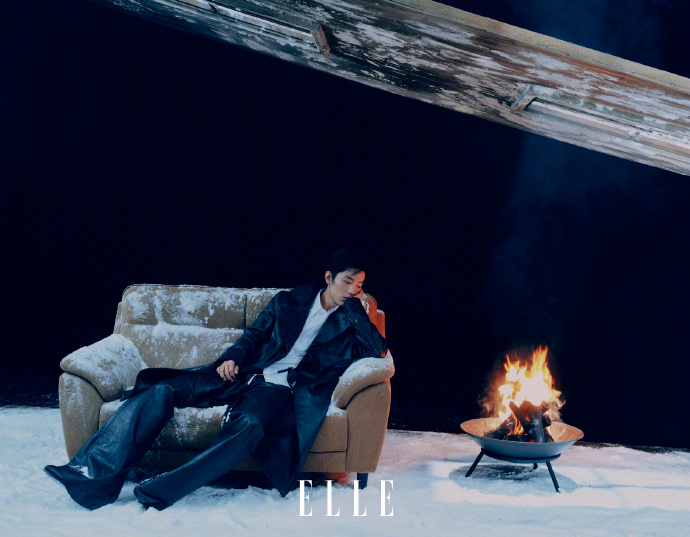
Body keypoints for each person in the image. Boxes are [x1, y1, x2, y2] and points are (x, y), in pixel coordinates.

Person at [45, 248, 388, 510]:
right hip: (243, 373)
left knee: (248, 424)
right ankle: (92, 478)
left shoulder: (351, 320)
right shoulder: (288, 302)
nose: (352, 290)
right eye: (347, 281)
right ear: (328, 277)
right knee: (163, 390)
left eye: (359, 285)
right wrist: (231, 357)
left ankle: (161, 490)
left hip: (280, 389)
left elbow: (377, 350)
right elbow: (255, 334)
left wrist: (357, 309)